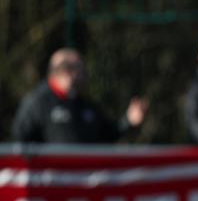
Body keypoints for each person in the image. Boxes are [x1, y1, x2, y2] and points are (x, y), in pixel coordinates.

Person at [12, 48, 147, 143]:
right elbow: (21, 140)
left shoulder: (84, 105)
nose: (83, 74)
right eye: (79, 69)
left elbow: (107, 134)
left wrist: (128, 122)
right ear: (64, 71)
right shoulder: (37, 102)